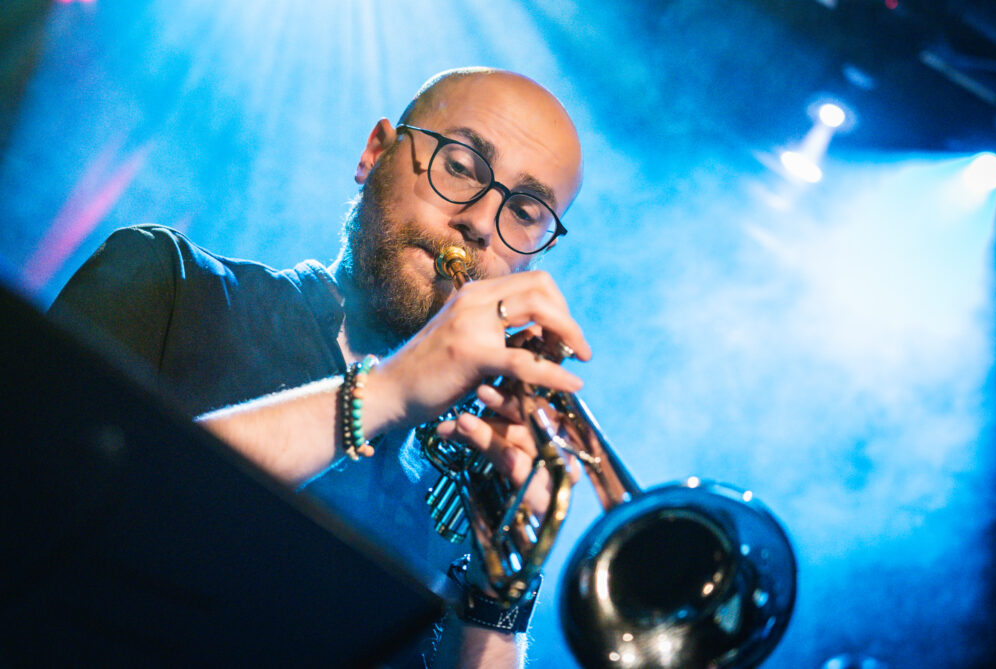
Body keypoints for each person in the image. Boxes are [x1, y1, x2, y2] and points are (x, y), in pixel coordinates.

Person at [49, 67, 590, 668]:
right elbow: (48, 510)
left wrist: (499, 591)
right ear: (375, 154)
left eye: (526, 212)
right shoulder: (172, 281)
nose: (482, 224)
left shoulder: (470, 468)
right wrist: (386, 392)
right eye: (460, 166)